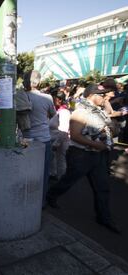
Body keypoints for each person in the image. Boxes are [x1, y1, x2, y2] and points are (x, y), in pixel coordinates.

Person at [47, 84, 121, 234]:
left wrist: (111, 130)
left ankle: (104, 217)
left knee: (102, 187)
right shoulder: (80, 112)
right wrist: (96, 144)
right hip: (81, 155)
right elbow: (75, 135)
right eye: (101, 95)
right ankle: (51, 195)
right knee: (69, 180)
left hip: (98, 155)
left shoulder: (100, 111)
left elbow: (109, 125)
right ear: (91, 95)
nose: (104, 98)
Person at [22, 71, 56, 205]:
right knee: (43, 172)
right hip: (43, 139)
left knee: (26, 171)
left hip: (26, 139)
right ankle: (40, 202)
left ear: (25, 81)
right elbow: (52, 114)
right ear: (39, 82)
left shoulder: (19, 96)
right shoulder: (47, 98)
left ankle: (26, 200)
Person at [49, 89, 70, 180]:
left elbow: (63, 131)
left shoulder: (64, 112)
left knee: (61, 162)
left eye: (52, 99)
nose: (51, 102)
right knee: (55, 161)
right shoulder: (55, 111)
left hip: (60, 143)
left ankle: (61, 181)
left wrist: (56, 144)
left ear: (59, 100)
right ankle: (54, 176)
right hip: (54, 141)